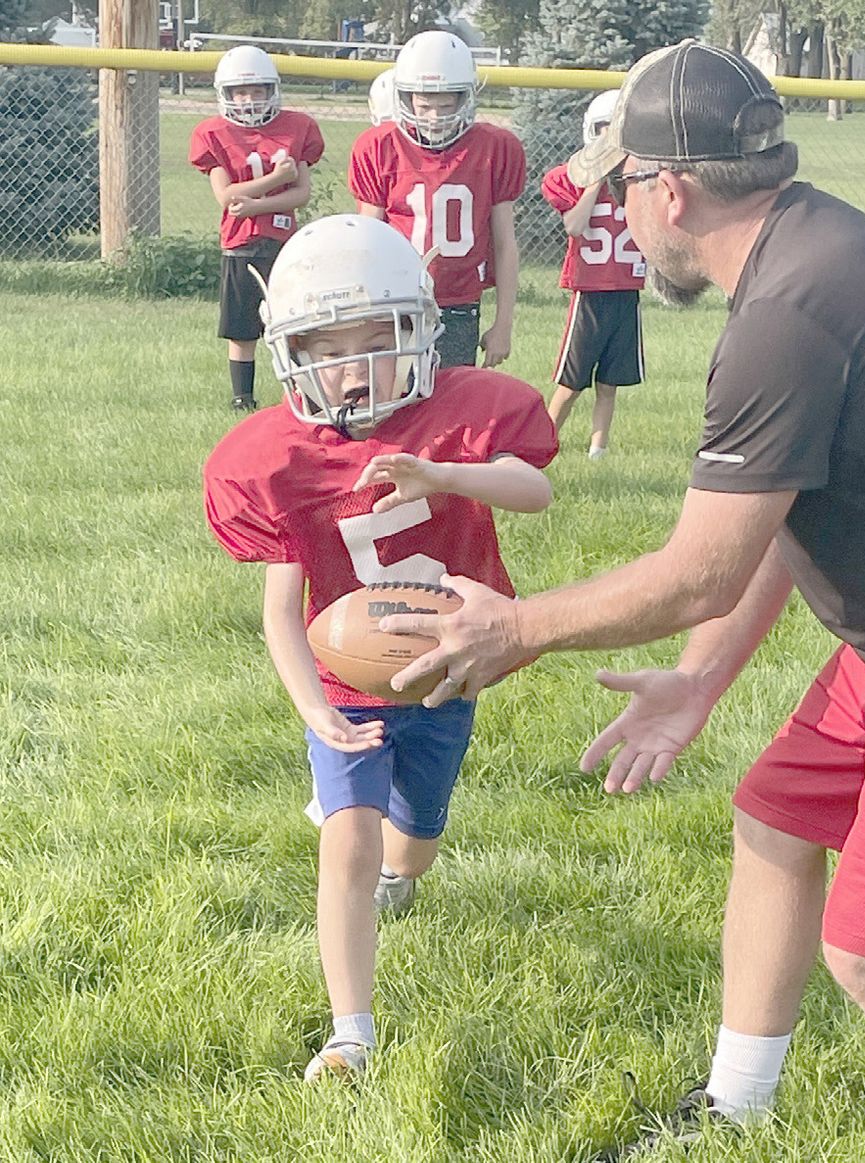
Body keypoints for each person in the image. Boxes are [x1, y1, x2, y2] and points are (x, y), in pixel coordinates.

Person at [372, 40, 865, 1162]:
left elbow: (700, 568)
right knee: (776, 818)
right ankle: (739, 1100)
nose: (619, 220)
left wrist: (518, 625)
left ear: (668, 191)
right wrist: (696, 680)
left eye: (620, 192)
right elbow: (780, 519)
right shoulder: (805, 249)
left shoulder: (789, 313)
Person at [202, 214, 557, 1082]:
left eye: (372, 344)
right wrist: (317, 712)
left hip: (446, 669)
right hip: (349, 680)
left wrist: (439, 475)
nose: (350, 369)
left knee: (415, 841)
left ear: (419, 335)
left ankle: (401, 873)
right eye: (327, 349)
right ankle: (350, 1032)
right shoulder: (278, 456)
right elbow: (281, 610)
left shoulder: (465, 412)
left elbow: (534, 487)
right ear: (290, 354)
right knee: (349, 843)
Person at [348, 30, 526, 370]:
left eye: (446, 106)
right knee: (393, 400)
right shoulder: (380, 146)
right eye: (425, 106)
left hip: (458, 302)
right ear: (404, 97)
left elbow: (505, 243)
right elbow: (367, 239)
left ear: (465, 98)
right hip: (395, 298)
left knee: (451, 404)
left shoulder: (495, 148)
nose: (434, 117)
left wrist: (504, 323)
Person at [189, 45, 325, 412]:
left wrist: (257, 205)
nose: (249, 99)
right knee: (241, 328)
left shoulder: (297, 127)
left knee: (294, 325)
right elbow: (226, 197)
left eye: (258, 90)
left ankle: (303, 394)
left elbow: (301, 193)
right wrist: (274, 179)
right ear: (226, 94)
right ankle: (242, 397)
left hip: (283, 243)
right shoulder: (213, 133)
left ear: (273, 90)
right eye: (241, 92)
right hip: (240, 244)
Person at [541, 90, 647, 460]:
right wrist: (594, 182)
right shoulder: (571, 178)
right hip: (590, 291)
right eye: (604, 130)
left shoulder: (640, 178)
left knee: (610, 382)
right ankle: (542, 441)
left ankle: (597, 451)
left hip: (627, 291)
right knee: (571, 383)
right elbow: (574, 226)